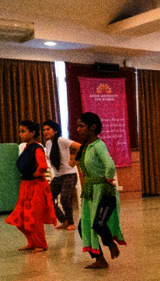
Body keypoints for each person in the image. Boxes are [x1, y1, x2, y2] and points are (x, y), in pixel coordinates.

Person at [76, 112, 126, 269]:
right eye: (78, 126)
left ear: (93, 127)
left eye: (81, 126)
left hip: (104, 192)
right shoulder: (86, 147)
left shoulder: (99, 145)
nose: (78, 129)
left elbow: (110, 165)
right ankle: (99, 259)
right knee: (82, 226)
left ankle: (110, 243)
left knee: (98, 223)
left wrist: (107, 182)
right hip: (91, 192)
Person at [5, 120, 57, 252]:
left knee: (34, 216)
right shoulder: (27, 148)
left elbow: (43, 166)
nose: (20, 134)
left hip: (36, 186)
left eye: (23, 131)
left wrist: (34, 174)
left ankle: (41, 244)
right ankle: (32, 242)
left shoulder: (37, 148)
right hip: (25, 186)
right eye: (20, 132)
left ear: (32, 133)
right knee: (21, 216)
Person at [43, 120, 81, 231]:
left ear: (55, 131)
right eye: (44, 130)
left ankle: (71, 222)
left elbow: (80, 146)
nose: (45, 132)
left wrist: (75, 160)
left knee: (64, 197)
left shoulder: (61, 140)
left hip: (69, 175)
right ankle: (64, 221)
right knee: (48, 198)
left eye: (48, 129)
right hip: (58, 176)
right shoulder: (48, 144)